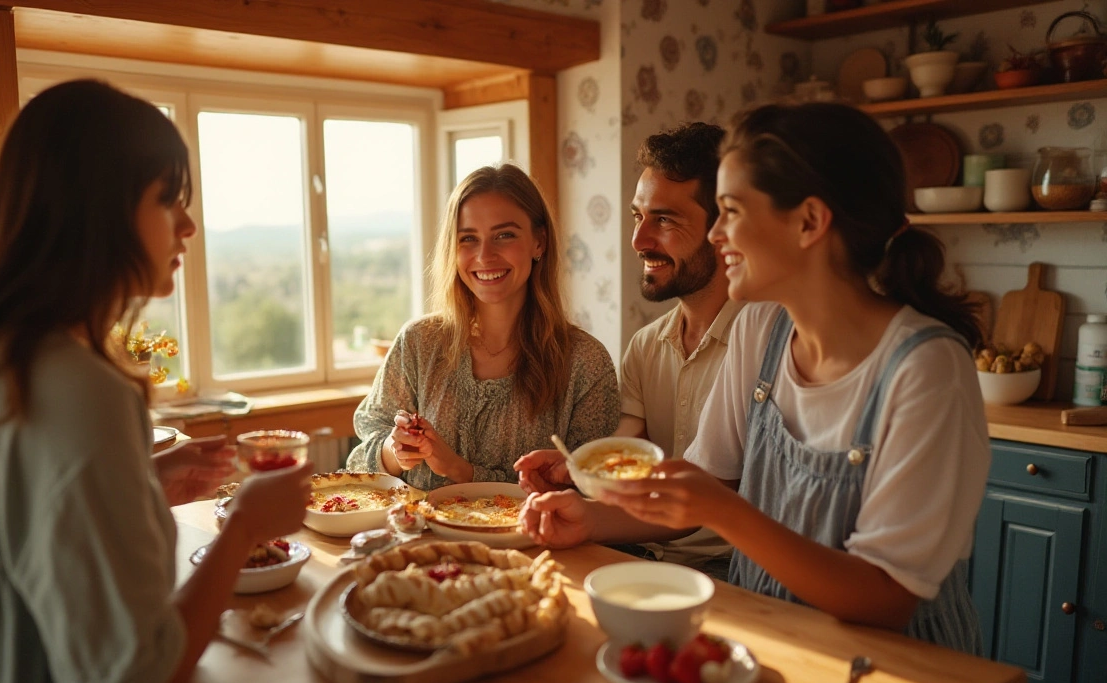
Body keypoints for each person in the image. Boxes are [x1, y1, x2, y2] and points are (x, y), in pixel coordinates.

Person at [0, 80, 313, 683]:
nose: (188, 225)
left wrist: (141, 481)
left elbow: (11, 520)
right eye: (166, 200)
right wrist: (244, 528)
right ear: (99, 211)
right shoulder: (81, 392)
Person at [522, 102, 988, 654]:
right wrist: (590, 519)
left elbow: (887, 598)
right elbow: (706, 482)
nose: (717, 235)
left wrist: (722, 510)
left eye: (732, 211)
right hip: (772, 637)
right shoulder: (761, 329)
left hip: (902, 671)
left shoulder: (926, 369)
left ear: (810, 222)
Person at [513, 123, 744, 572]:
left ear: (722, 229)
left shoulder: (765, 343)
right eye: (639, 216)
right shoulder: (645, 347)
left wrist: (587, 517)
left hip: (730, 570)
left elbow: (706, 495)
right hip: (645, 556)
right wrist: (574, 470)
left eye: (666, 219)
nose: (639, 241)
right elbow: (623, 460)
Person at [347, 164, 619, 491]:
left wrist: (462, 471)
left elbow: (593, 494)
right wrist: (396, 451)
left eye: (504, 235)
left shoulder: (586, 362)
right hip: (418, 541)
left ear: (539, 242)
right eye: (468, 239)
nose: (484, 255)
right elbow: (357, 465)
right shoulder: (418, 343)